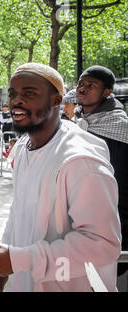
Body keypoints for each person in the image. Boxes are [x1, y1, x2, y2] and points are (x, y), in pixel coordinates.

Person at [0, 62, 121, 292]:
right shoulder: (25, 145)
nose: (16, 101)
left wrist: (19, 260)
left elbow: (102, 246)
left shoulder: (80, 160)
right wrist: (7, 258)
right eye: (12, 94)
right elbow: (19, 210)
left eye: (29, 93)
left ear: (56, 100)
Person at [75, 65, 128, 289]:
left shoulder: (121, 128)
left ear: (107, 92)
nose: (82, 89)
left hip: (115, 216)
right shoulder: (77, 122)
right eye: (80, 84)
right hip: (79, 215)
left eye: (91, 85)